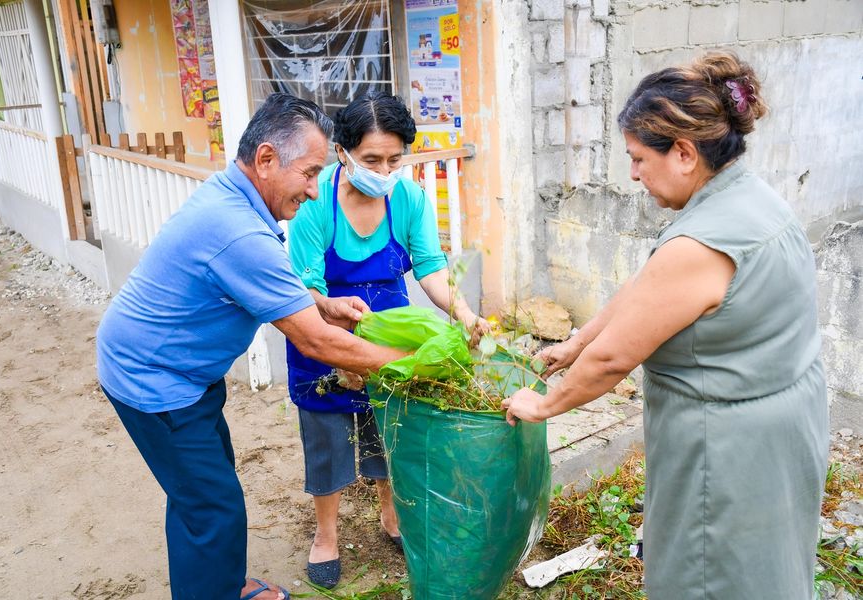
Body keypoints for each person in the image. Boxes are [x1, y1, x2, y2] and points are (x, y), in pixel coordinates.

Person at [502, 51, 828, 599]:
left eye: (637, 158)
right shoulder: (751, 200)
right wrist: (579, 341)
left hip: (726, 448)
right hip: (785, 422)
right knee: (768, 565)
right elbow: (647, 289)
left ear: (683, 152)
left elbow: (614, 360)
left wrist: (544, 405)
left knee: (709, 573)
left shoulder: (698, 243)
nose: (633, 175)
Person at [95, 93, 407, 600]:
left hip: (182, 372)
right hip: (154, 379)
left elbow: (269, 288)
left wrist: (321, 302)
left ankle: (224, 584)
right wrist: (414, 363)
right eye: (309, 173)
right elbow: (315, 340)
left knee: (202, 492)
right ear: (265, 159)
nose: (314, 189)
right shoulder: (238, 229)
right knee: (212, 506)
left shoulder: (233, 198)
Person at [285, 91, 489, 588]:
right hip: (325, 330)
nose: (384, 170)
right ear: (342, 152)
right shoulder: (316, 203)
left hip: (391, 330)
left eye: (394, 160)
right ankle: (326, 535)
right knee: (328, 436)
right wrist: (339, 344)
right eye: (372, 159)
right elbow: (307, 286)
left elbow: (431, 267)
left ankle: (390, 512)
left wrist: (463, 312)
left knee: (389, 426)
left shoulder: (409, 199)